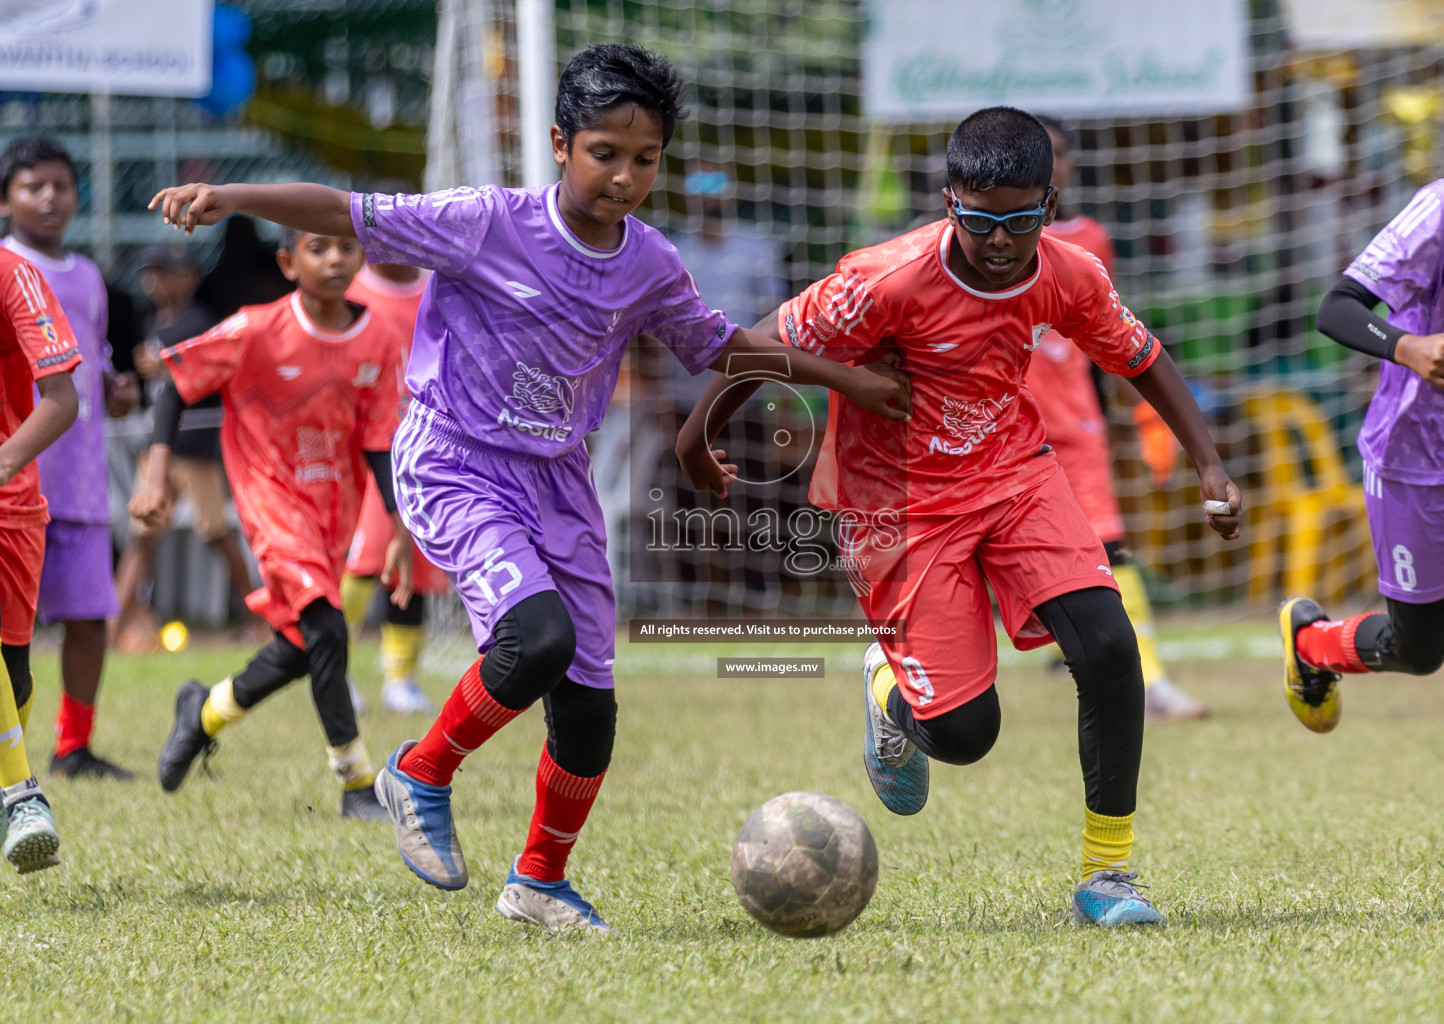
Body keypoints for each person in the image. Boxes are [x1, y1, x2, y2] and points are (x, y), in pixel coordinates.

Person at [148, 42, 910, 933]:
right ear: (559, 143)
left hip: (559, 480)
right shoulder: (485, 220)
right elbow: (345, 211)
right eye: (605, 154)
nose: (625, 177)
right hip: (455, 460)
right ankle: (419, 772)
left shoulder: (650, 262)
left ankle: (539, 882)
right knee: (536, 638)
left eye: (645, 160)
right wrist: (233, 196)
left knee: (589, 711)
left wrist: (846, 379)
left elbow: (719, 343)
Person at [678, 107, 1242, 927]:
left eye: (1021, 220)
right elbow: (750, 346)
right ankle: (890, 689)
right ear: (951, 201)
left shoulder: (1068, 271)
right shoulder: (885, 280)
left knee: (1111, 647)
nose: (1003, 241)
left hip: (1015, 475)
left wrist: (1210, 462)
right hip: (898, 509)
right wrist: (700, 438)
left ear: (1050, 205)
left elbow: (1140, 356)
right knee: (970, 734)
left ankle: (1108, 878)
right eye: (982, 222)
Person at [1278, 47, 1444, 732]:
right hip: (1422, 453)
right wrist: (1408, 347)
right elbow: (1335, 307)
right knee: (1420, 651)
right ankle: (1311, 644)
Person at [131, 226, 410, 821]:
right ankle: (356, 783)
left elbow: (380, 441)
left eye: (345, 247)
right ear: (288, 261)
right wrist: (156, 475)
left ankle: (204, 712)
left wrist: (399, 525)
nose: (334, 257)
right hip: (270, 500)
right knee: (328, 628)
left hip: (336, 508)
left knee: (300, 644)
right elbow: (175, 388)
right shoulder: (256, 328)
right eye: (318, 247)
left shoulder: (380, 337)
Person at [1030, 116, 1208, 722]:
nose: (1049, 164)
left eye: (1058, 152)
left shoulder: (1090, 240)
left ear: (1072, 165)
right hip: (996, 421)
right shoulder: (981, 238)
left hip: (1075, 423)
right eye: (1038, 153)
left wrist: (1140, 415)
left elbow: (1109, 333)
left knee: (1109, 548)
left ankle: (1150, 682)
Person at [0, 136, 138, 780]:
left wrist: (116, 390)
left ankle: (73, 746)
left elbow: (93, 361)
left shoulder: (88, 276)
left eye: (60, 185)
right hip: (15, 477)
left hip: (77, 478)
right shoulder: (5, 267)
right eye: (33, 186)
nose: (49, 198)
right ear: (7, 199)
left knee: (88, 615)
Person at [114, 242, 258, 653]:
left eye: (165, 271)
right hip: (156, 445)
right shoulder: (152, 320)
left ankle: (254, 616)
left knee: (216, 534)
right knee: (142, 535)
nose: (155, 279)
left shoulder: (201, 322)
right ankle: (114, 624)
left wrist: (165, 365)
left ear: (191, 278)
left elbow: (210, 380)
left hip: (194, 446)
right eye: (151, 271)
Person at [340, 227, 449, 716]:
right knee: (365, 561)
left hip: (428, 449)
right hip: (368, 454)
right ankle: (332, 665)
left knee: (419, 566)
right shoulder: (350, 294)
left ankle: (401, 676)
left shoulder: (440, 290)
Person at [0, 245, 80, 872]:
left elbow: (61, 398)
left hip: (11, 502)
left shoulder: (14, 274)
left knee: (15, 680)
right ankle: (22, 796)